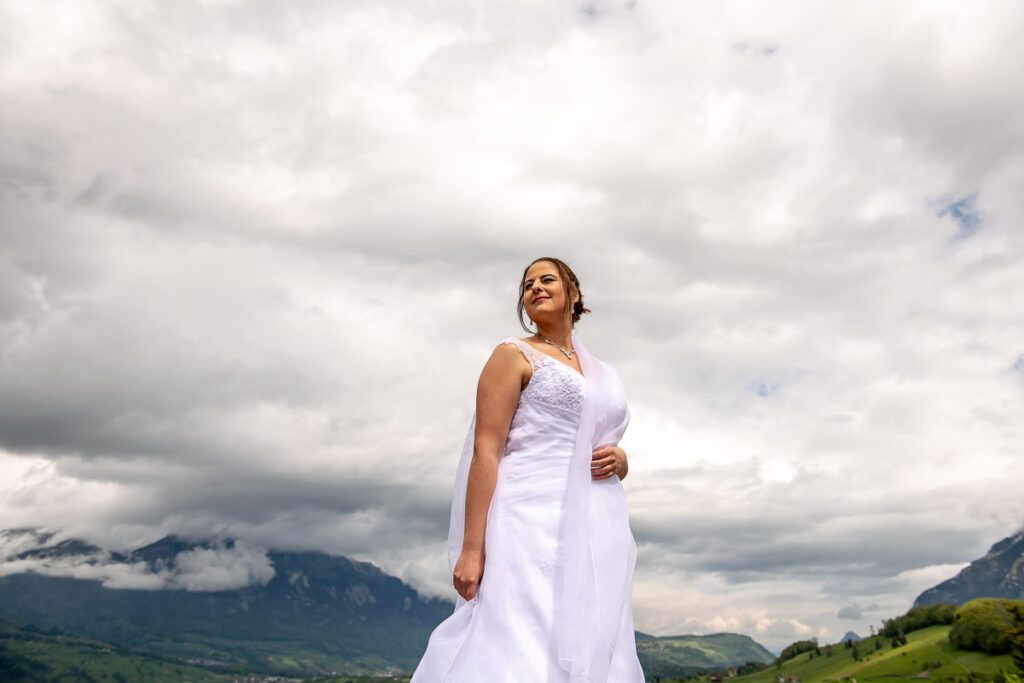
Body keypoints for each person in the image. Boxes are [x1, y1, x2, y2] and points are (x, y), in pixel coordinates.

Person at [411, 257, 645, 683]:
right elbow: (487, 449)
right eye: (527, 284)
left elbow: (604, 442)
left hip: (595, 523)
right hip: (525, 516)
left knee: (589, 630)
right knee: (521, 630)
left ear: (574, 294)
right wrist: (472, 548)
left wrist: (622, 460)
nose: (534, 287)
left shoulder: (606, 375)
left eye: (547, 279)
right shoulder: (512, 355)